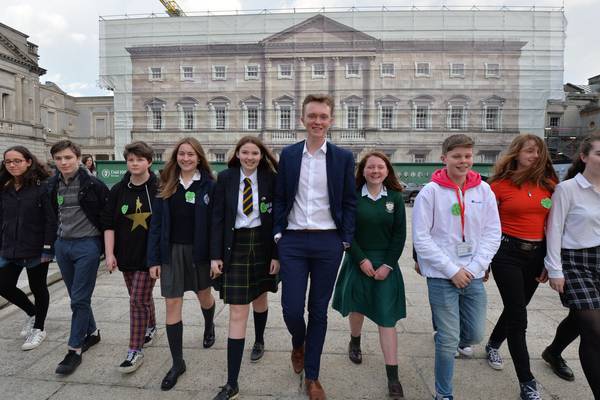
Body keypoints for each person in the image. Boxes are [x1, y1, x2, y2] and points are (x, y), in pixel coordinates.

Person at [273, 93, 356, 400]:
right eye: (312, 116)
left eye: (323, 116)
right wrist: (279, 233)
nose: (317, 121)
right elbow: (281, 196)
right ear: (303, 119)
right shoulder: (290, 155)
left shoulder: (343, 158)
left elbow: (349, 200)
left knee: (318, 310)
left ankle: (313, 376)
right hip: (293, 240)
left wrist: (344, 238)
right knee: (291, 308)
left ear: (330, 121)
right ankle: (299, 342)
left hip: (327, 242)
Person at [412, 134, 501, 400]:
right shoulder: (430, 192)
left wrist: (475, 268)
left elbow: (492, 232)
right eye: (457, 156)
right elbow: (421, 238)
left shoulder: (484, 190)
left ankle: (453, 337)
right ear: (444, 159)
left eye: (467, 156)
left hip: (472, 272)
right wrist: (452, 270)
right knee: (447, 339)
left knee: (474, 334)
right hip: (441, 275)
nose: (463, 161)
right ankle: (444, 393)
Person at [481, 134, 558, 400]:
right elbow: (485, 225)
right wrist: (484, 262)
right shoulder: (498, 186)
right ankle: (527, 382)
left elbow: (554, 226)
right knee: (519, 316)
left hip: (536, 255)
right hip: (506, 253)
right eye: (529, 151)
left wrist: (551, 260)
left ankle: (493, 342)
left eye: (539, 152)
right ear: (516, 153)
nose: (535, 156)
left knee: (517, 308)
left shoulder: (549, 184)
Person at [209, 136, 280, 400]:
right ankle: (232, 382)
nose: (250, 157)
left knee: (260, 296)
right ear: (237, 154)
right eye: (245, 152)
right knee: (238, 310)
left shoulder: (271, 178)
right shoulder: (226, 178)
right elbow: (216, 217)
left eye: (255, 153)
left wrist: (277, 254)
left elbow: (278, 218)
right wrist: (215, 255)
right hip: (235, 244)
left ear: (262, 156)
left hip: (262, 244)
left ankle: (259, 339)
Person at [332, 151, 406, 399]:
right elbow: (347, 232)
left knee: (387, 318)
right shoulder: (352, 197)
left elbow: (399, 235)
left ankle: (393, 376)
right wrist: (360, 258)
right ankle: (355, 340)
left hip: (386, 263)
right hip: (358, 259)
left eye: (380, 167)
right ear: (362, 171)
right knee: (358, 307)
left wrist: (388, 264)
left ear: (387, 171)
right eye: (370, 167)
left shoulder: (395, 197)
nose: (375, 171)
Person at [147, 137, 217, 391]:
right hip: (172, 252)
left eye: (191, 154)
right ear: (176, 157)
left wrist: (215, 256)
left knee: (204, 296)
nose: (186, 158)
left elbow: (215, 225)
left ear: (199, 158)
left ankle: (209, 324)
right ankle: (178, 363)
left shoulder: (209, 185)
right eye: (182, 154)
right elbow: (155, 225)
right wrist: (153, 259)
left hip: (200, 253)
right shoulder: (166, 184)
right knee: (172, 303)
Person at [544, 134, 600, 399]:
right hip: (576, 261)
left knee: (580, 318)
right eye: (599, 153)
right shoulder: (567, 189)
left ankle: (553, 352)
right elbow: (554, 229)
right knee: (594, 330)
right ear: (584, 156)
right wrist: (554, 269)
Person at [47, 140, 109, 375]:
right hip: (63, 245)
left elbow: (105, 216)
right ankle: (91, 332)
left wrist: (108, 250)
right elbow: (53, 213)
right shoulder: (52, 185)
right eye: (59, 158)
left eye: (68, 158)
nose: (63, 162)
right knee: (76, 295)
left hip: (87, 246)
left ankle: (74, 350)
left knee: (79, 299)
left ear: (78, 158)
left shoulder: (93, 184)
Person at [101, 141, 158, 373]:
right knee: (141, 298)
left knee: (136, 300)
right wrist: (109, 253)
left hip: (150, 256)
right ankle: (151, 327)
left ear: (149, 162)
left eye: (139, 159)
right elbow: (109, 224)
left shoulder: (159, 187)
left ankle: (134, 350)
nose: (134, 163)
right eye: (131, 159)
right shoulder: (118, 190)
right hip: (125, 255)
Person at [0, 146, 56, 350]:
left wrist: (48, 248)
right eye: (8, 162)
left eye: (17, 161)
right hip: (9, 247)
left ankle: (39, 328)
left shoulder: (42, 187)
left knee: (38, 287)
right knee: (3, 285)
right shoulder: (4, 187)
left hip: (35, 247)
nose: (13, 165)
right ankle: (32, 313)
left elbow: (51, 220)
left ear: (28, 162)